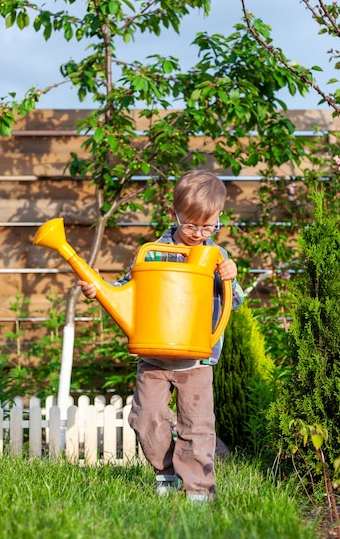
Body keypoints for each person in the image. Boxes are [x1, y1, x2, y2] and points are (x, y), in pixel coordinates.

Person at [78, 170, 244, 503]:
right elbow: (127, 291)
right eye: (191, 225)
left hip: (196, 359)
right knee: (146, 417)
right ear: (174, 215)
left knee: (196, 424)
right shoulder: (152, 253)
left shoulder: (217, 257)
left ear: (219, 219)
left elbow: (234, 301)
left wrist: (230, 275)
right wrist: (97, 291)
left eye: (208, 226)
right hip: (153, 356)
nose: (199, 234)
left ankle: (198, 490)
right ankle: (166, 473)